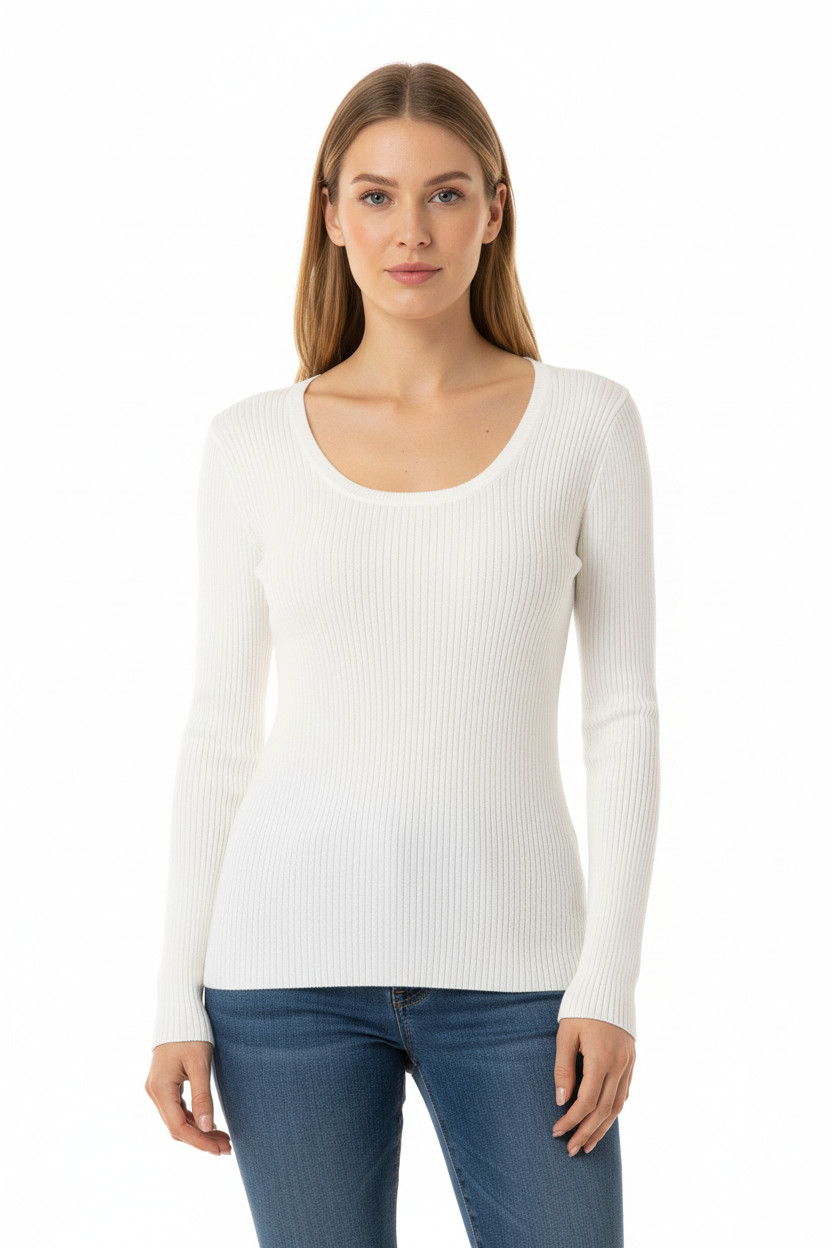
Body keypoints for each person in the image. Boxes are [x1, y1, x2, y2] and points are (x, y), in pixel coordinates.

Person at [145, 60, 660, 1248]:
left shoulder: (587, 423)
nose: (410, 231)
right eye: (375, 196)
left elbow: (623, 716)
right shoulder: (250, 444)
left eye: (445, 194)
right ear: (331, 215)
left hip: (525, 981)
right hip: (279, 977)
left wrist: (608, 980)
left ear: (494, 210)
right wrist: (175, 993)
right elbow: (219, 729)